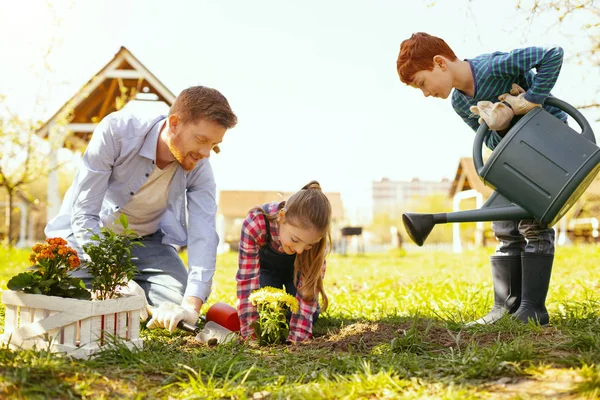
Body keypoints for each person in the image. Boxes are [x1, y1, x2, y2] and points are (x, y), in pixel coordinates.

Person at [396, 32, 567, 326]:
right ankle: (506, 307)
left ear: (439, 63)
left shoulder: (493, 67)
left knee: (532, 224)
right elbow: (489, 143)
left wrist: (529, 100)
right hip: (518, 157)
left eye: (422, 83)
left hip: (550, 147)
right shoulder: (460, 104)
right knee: (503, 224)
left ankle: (532, 308)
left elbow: (553, 54)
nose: (425, 93)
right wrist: (499, 126)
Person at [45, 85, 238, 333]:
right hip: (91, 239)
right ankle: (120, 292)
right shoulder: (115, 133)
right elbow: (84, 213)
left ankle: (127, 298)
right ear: (175, 123)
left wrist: (191, 306)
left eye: (213, 144)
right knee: (54, 285)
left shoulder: (200, 167)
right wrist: (115, 277)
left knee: (178, 298)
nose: (205, 153)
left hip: (147, 243)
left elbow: (204, 233)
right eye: (201, 140)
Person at [236, 181, 332, 342]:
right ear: (281, 217)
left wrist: (297, 338)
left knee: (307, 314)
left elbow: (308, 290)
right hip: (265, 272)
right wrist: (250, 333)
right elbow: (247, 282)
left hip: (297, 274)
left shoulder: (318, 243)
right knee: (264, 310)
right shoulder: (255, 224)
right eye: (295, 239)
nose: (300, 250)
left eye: (309, 245)